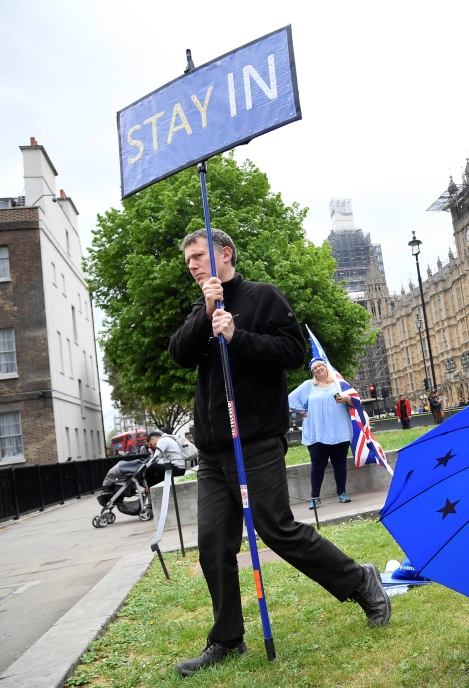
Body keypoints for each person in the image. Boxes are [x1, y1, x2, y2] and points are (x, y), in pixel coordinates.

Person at [168, 228, 390, 677]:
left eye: (198, 256)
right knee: (213, 544)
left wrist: (238, 335)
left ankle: (359, 580)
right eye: (187, 259)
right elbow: (180, 353)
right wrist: (207, 313)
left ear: (225, 254)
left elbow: (292, 351)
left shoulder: (263, 297)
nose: (191, 264)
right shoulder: (202, 307)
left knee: (277, 528)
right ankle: (227, 639)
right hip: (213, 449)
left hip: (254, 439)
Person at [288, 358, 355, 509]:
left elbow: (355, 401)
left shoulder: (339, 383)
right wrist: (304, 412)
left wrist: (348, 398)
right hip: (317, 432)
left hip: (339, 429)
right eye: (315, 368)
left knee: (340, 464)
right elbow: (290, 400)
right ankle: (315, 496)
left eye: (320, 366)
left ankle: (342, 493)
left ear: (326, 367)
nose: (318, 369)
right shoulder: (309, 386)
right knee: (318, 465)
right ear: (313, 372)